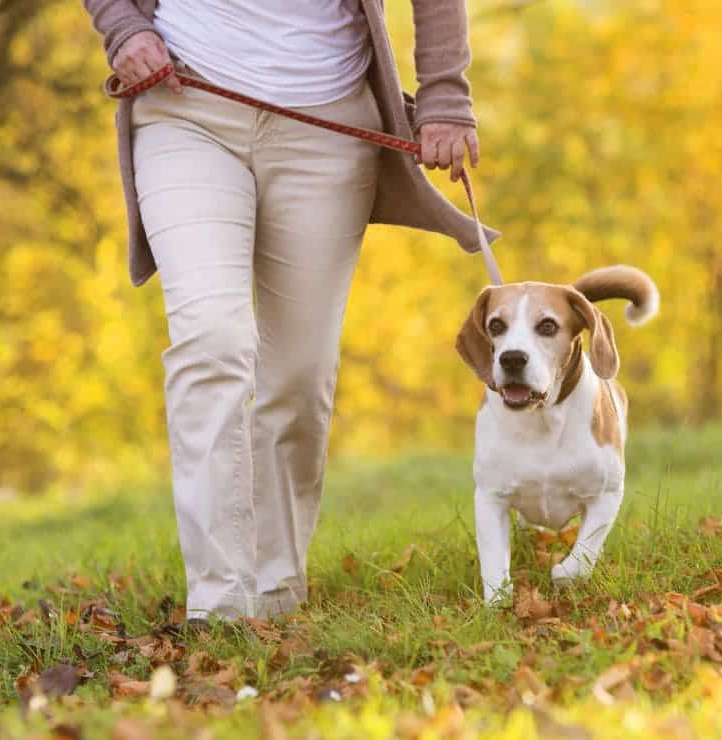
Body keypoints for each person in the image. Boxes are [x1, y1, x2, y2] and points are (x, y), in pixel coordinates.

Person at [83, 0, 497, 622]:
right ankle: (219, 605)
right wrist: (124, 25)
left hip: (326, 127)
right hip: (184, 105)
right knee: (211, 339)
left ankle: (275, 593)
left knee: (300, 378)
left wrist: (443, 97)